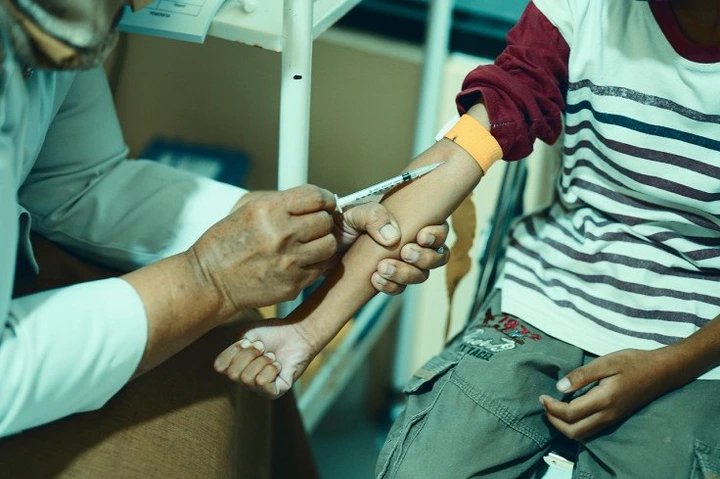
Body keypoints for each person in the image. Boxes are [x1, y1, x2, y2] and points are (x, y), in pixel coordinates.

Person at [220, 0, 720, 477]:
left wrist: (670, 367)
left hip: (697, 340)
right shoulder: (580, 10)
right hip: (551, 289)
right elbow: (461, 154)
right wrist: (307, 330)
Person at [0, 0, 452, 475]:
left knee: (230, 348)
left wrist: (281, 227)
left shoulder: (65, 23)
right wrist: (206, 278)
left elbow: (76, 182)